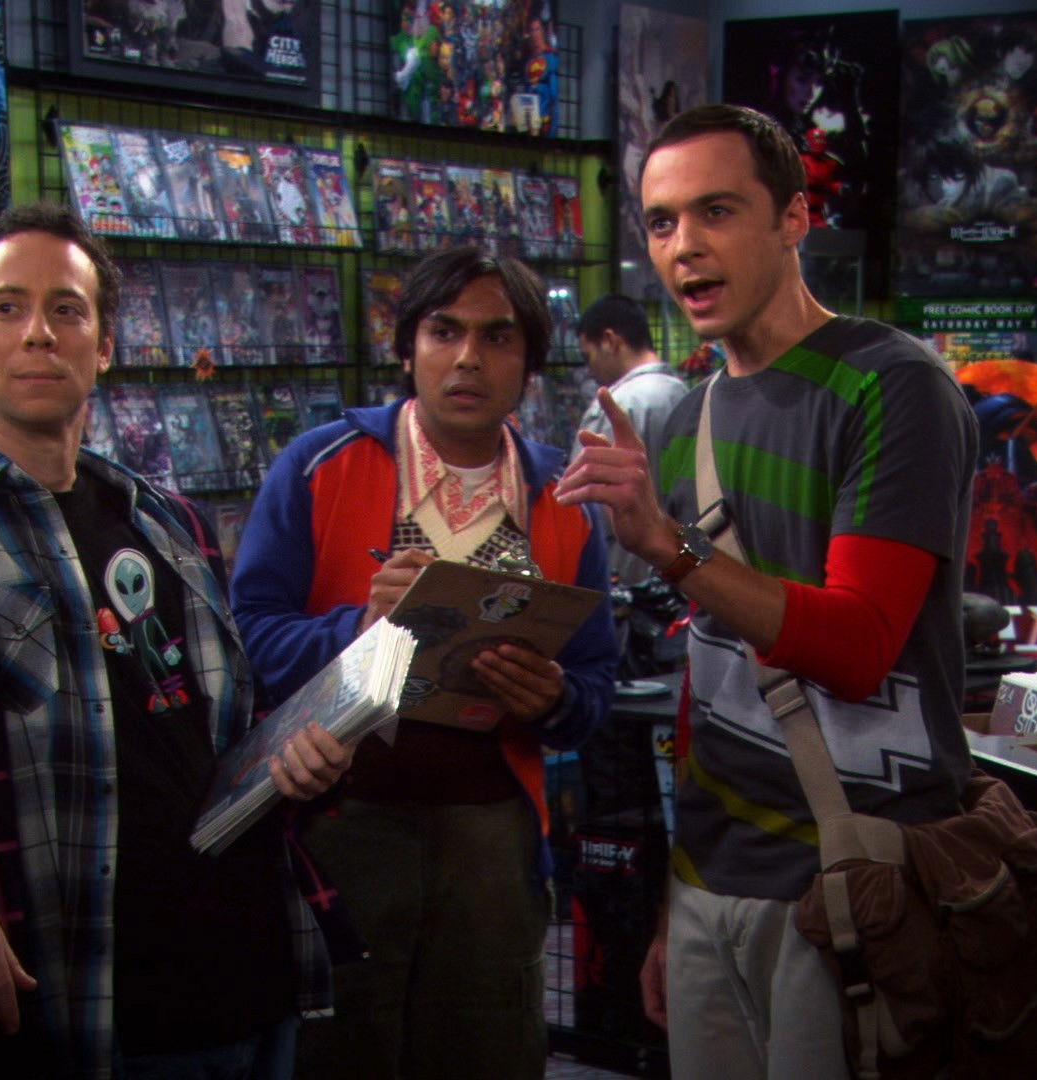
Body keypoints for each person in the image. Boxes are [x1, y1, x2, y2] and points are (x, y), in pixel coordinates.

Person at [0, 202, 353, 1078]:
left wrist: (297, 765)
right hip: (91, 1008)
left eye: (67, 309)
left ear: (103, 345)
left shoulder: (169, 521)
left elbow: (218, 733)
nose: (38, 334)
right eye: (8, 308)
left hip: (253, 982)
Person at [556, 104, 978, 1079]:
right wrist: (674, 901)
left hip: (852, 883)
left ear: (793, 218)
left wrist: (668, 547)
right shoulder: (687, 418)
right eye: (662, 222)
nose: (685, 247)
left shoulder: (890, 385)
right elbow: (709, 674)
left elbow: (859, 643)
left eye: (717, 211)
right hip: (713, 884)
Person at [230, 246, 618, 1079]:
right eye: (445, 331)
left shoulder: (567, 503)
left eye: (497, 337)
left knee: (487, 1044)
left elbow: (596, 686)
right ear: (407, 347)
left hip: (492, 831)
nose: (468, 357)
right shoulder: (320, 465)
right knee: (340, 1047)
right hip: (341, 814)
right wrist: (358, 629)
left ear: (529, 364)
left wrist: (552, 697)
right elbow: (248, 636)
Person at [570, 292, 690, 587]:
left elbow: (587, 505)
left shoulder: (613, 405)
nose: (590, 370)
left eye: (588, 356)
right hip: (683, 569)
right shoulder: (687, 395)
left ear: (609, 340)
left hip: (625, 573)